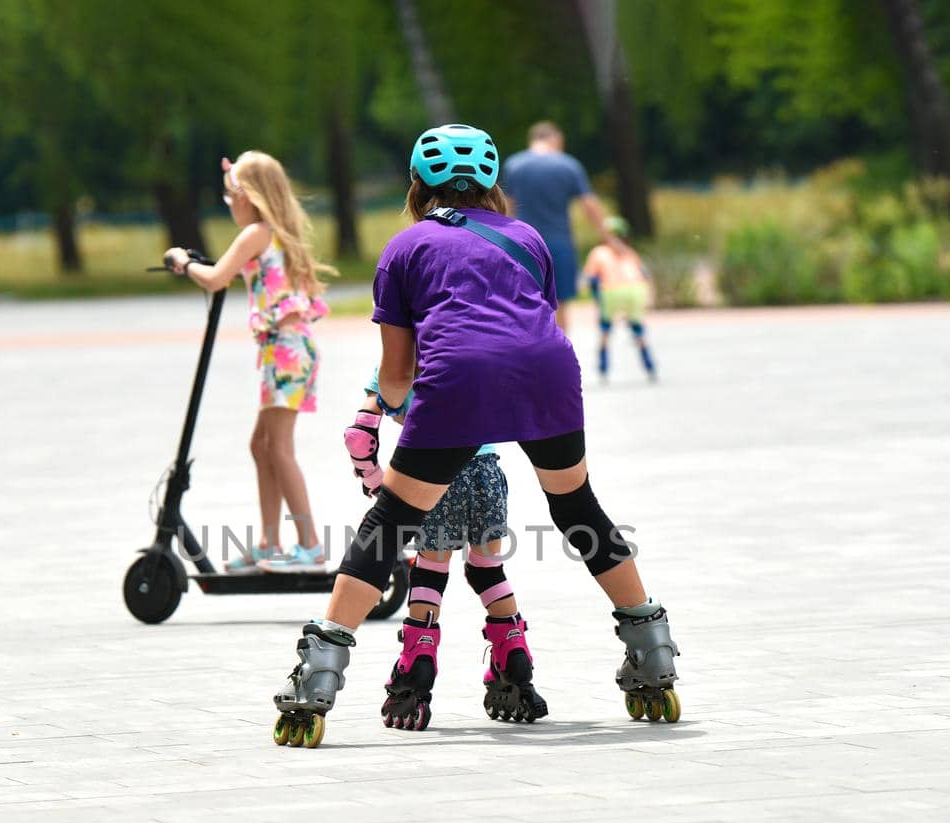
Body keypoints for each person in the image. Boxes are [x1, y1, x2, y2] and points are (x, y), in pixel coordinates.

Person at [270, 123, 681, 749]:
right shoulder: (528, 238)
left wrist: (405, 425)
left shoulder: (405, 249)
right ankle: (652, 654)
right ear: (492, 184)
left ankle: (319, 674)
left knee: (391, 524)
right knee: (577, 507)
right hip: (548, 375)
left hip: (458, 380)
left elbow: (396, 372)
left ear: (417, 185)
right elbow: (531, 322)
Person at [344, 370, 547, 731]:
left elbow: (359, 437)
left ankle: (417, 663)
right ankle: (514, 653)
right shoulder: (464, 352)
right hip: (487, 472)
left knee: (430, 571)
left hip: (433, 471)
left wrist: (375, 482)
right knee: (487, 570)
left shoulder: (400, 360)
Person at [165, 152, 331, 574]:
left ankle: (309, 543)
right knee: (261, 445)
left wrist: (183, 263)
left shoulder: (257, 233)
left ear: (248, 196)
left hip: (286, 350)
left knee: (278, 447)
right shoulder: (275, 232)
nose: (229, 204)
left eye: (228, 196)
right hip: (287, 349)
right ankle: (268, 542)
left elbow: (217, 277)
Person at [501, 120, 613, 334]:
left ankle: (528, 355)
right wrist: (606, 236)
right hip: (559, 242)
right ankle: (559, 356)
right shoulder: (567, 165)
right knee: (559, 303)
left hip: (523, 244)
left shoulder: (514, 165)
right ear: (556, 138)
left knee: (524, 302)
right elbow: (589, 204)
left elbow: (507, 206)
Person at [584, 216, 657, 382]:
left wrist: (596, 297)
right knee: (637, 328)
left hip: (611, 291)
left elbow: (590, 278)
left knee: (605, 329)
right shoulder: (630, 252)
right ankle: (649, 365)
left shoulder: (599, 252)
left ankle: (603, 367)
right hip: (635, 290)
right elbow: (643, 274)